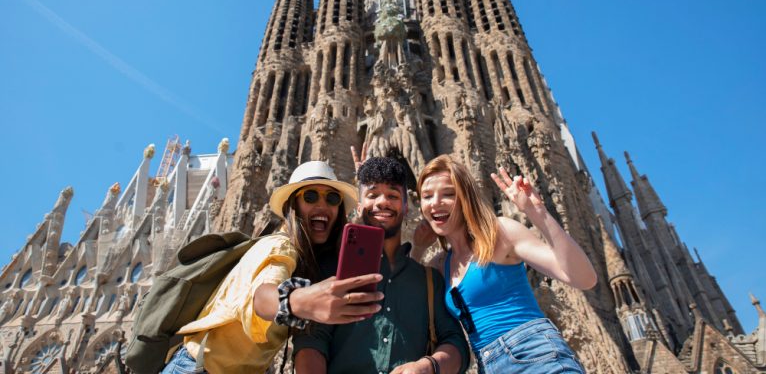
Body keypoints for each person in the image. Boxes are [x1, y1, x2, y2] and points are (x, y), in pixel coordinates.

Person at [161, 161, 385, 374]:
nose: (322, 205)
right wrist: (300, 301)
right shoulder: (279, 246)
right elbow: (263, 298)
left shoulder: (302, 258)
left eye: (333, 198)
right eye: (310, 195)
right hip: (197, 367)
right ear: (292, 206)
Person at [415, 155, 596, 374]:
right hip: (487, 364)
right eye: (427, 196)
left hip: (533, 353)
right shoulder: (440, 265)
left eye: (449, 194)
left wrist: (537, 213)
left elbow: (583, 278)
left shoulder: (499, 234)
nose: (435, 202)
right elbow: (405, 295)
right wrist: (418, 247)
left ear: (466, 198)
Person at [293, 155, 469, 374]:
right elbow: (311, 341)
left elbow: (456, 344)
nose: (382, 202)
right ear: (359, 207)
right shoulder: (333, 270)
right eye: (372, 194)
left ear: (406, 207)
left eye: (393, 195)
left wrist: (428, 367)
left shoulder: (429, 280)